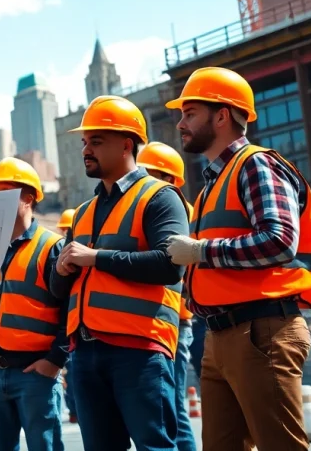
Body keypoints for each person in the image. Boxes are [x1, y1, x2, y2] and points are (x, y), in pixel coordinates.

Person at [164, 67, 311, 451]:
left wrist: (201, 252)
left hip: (261, 330)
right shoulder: (211, 186)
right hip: (222, 336)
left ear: (222, 115)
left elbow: (280, 240)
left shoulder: (256, 165)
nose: (181, 124)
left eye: (190, 113)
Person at [50, 95, 189, 451]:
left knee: (154, 446)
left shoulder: (160, 197)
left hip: (139, 349)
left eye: (96, 141)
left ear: (127, 144)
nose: (86, 150)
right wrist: (62, 269)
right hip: (85, 353)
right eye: (84, 142)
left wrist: (95, 257)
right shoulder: (82, 212)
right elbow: (58, 290)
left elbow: (169, 264)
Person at [0, 158, 68, 451]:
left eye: (4, 194)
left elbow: (70, 309)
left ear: (28, 198)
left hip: (35, 373)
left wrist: (55, 361)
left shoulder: (51, 245)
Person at [137, 141, 196, 451]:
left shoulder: (178, 212)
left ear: (172, 179)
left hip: (174, 321)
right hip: (156, 319)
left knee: (172, 403)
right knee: (166, 405)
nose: (146, 179)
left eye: (154, 174)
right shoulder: (145, 206)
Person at [54, 209, 79, 425]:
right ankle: (74, 410)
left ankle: (75, 409)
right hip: (73, 326)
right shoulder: (61, 253)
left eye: (67, 230)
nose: (64, 234)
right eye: (63, 230)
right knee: (71, 376)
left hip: (77, 325)